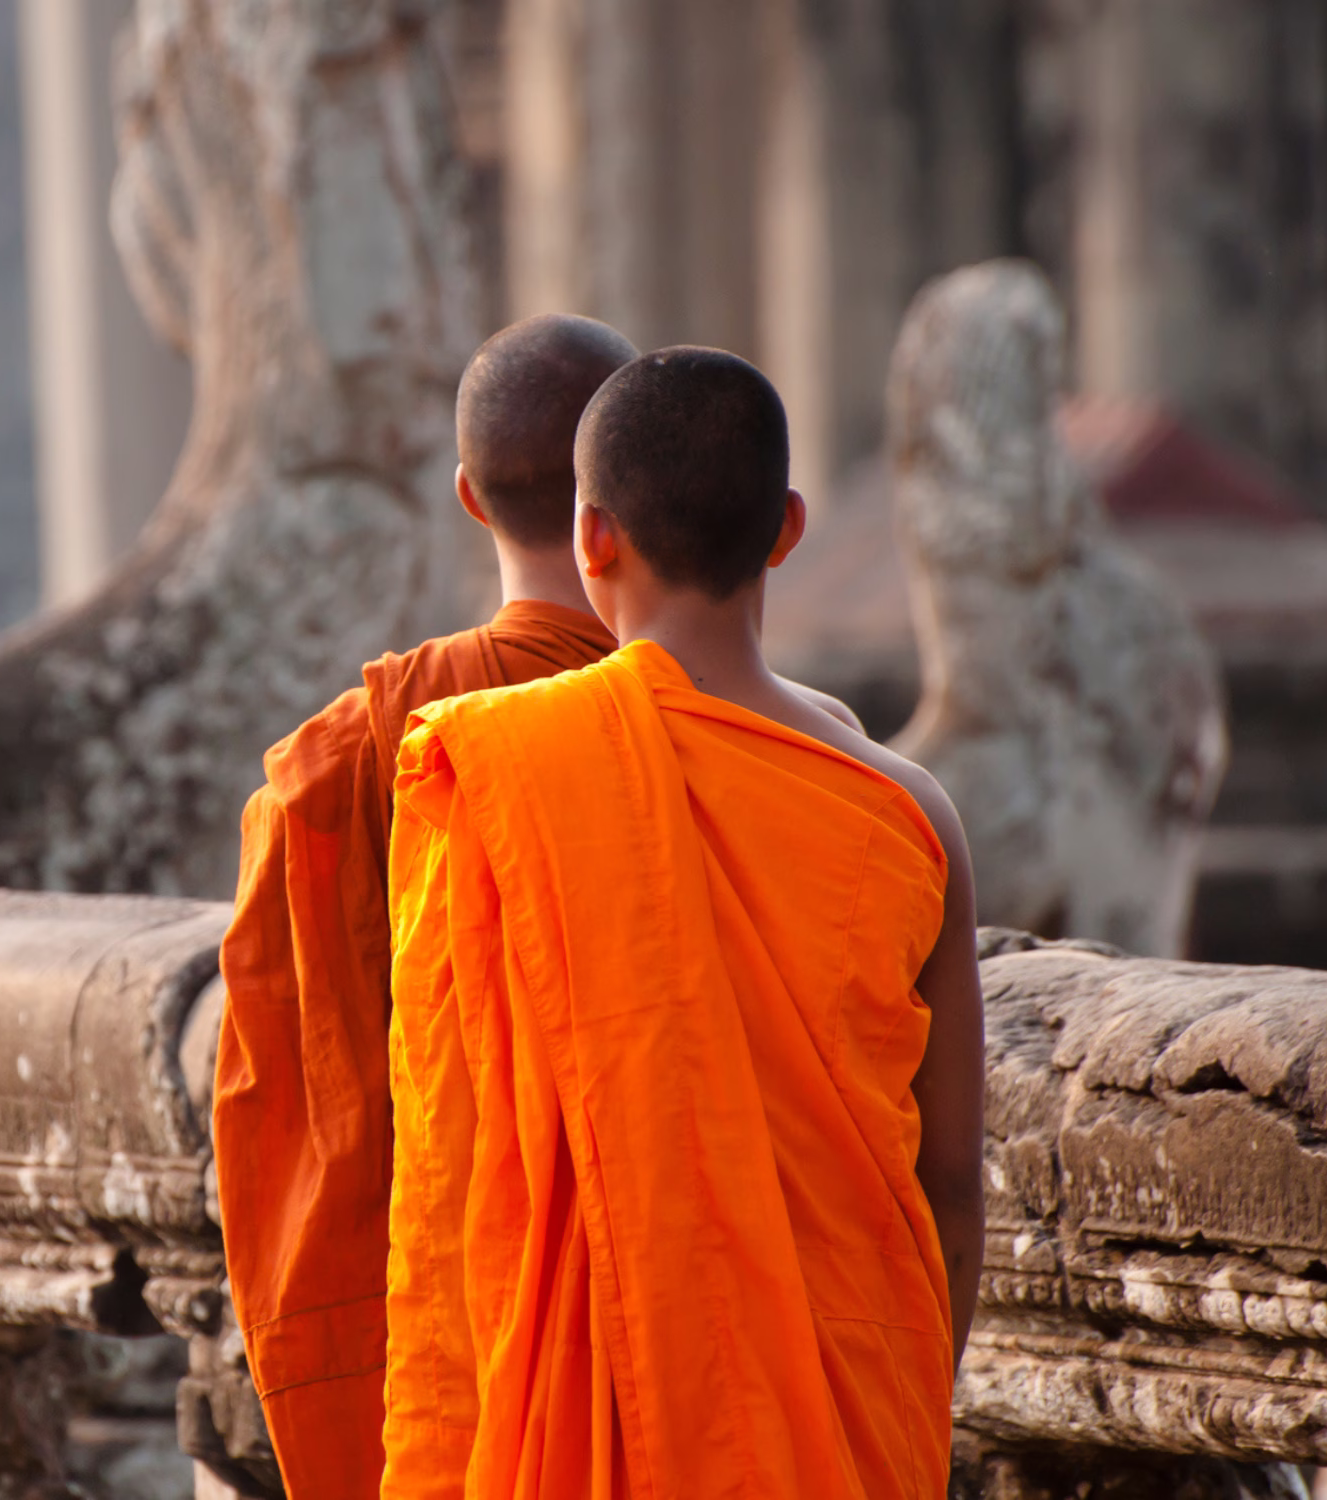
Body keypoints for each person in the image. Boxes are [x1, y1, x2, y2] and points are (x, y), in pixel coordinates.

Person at [381, 348, 985, 1498]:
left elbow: (453, 1160)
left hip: (572, 1423)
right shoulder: (908, 811)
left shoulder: (500, 774)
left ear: (589, 539)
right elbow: (950, 1180)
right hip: (845, 1421)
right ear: (787, 529)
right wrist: (881, 1409)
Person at [214, 314, 640, 1498]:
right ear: (629, 487)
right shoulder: (735, 745)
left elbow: (293, 1118)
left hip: (438, 1363)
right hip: (673, 1347)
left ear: (466, 495)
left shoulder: (343, 762)